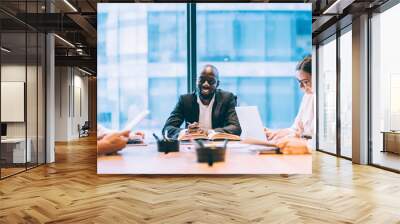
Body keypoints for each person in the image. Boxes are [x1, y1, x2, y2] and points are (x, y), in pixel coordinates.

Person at [163, 64, 242, 139]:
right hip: (192, 147)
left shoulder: (227, 98)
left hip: (219, 146)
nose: (205, 84)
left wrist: (209, 132)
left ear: (217, 84)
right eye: (202, 80)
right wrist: (187, 132)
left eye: (211, 81)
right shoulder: (185, 100)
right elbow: (167, 129)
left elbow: (235, 128)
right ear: (196, 81)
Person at [266, 56, 314, 142]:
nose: (301, 86)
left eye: (305, 82)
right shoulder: (307, 97)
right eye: (299, 82)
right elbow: (296, 129)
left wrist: (297, 136)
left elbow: (308, 136)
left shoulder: (324, 100)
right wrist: (273, 133)